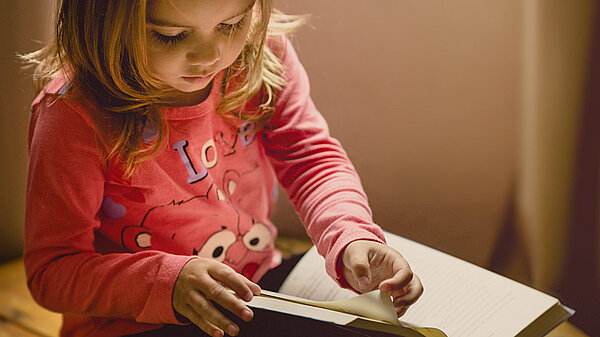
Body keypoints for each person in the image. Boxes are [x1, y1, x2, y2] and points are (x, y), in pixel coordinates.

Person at [22, 0, 423, 336]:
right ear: (98, 19)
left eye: (231, 24)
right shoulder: (73, 116)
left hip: (256, 290)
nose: (210, 55)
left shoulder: (260, 55)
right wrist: (168, 281)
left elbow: (309, 156)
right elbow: (52, 272)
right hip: (131, 325)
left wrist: (350, 233)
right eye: (170, 35)